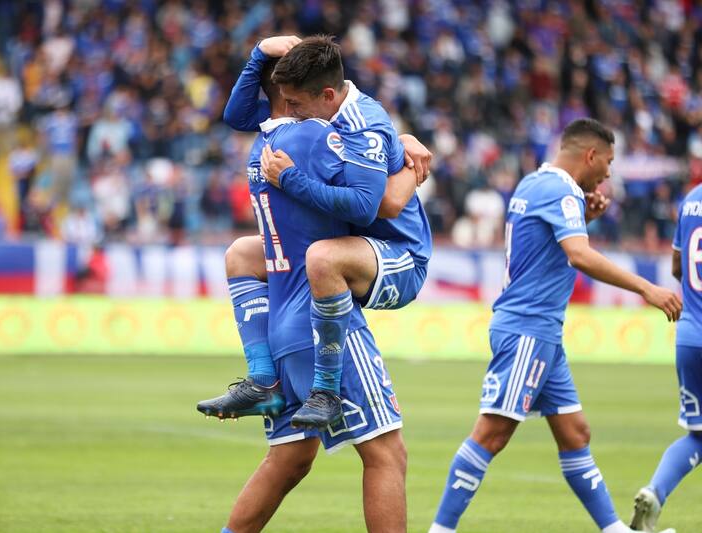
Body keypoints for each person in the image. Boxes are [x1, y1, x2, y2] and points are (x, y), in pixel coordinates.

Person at [428, 118, 681, 533]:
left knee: (575, 432)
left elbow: (545, 247)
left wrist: (584, 214)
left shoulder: (534, 183)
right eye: (609, 162)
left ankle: (614, 530)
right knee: (492, 433)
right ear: (591, 155)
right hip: (528, 328)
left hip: (541, 331)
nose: (609, 173)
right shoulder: (561, 189)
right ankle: (441, 530)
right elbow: (578, 256)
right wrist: (646, 289)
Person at [200, 35, 432, 429]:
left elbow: (370, 206)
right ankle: (262, 380)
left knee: (322, 257)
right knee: (241, 253)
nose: (287, 112)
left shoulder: (363, 125)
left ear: (326, 94)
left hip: (396, 256)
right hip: (352, 243)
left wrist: (289, 179)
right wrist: (259, 54)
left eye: (294, 104)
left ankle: (326, 391)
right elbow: (238, 117)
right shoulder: (318, 117)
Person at [218, 56, 406, 533]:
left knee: (288, 461)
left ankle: (260, 377)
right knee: (386, 453)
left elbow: (237, 115)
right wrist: (404, 154)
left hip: (277, 318)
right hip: (321, 315)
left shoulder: (261, 147)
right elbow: (370, 205)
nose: (295, 108)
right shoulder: (317, 135)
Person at [629, 182, 702, 532]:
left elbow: (677, 265)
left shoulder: (691, 200)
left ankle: (655, 491)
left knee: (699, 435)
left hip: (690, 334)